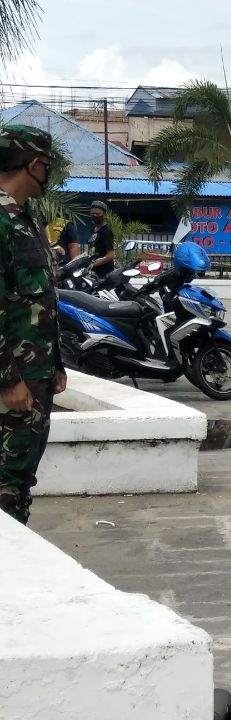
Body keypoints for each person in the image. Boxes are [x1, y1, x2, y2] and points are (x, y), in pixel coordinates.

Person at [0, 125, 67, 525]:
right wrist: (7, 379)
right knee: (6, 486)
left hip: (33, 374)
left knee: (19, 480)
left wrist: (55, 364)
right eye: (47, 164)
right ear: (33, 164)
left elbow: (38, 303)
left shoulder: (24, 218)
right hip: (13, 381)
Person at [87, 200, 115, 275]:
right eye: (93, 214)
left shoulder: (106, 231)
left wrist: (94, 264)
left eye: (98, 214)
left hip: (104, 271)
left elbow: (110, 255)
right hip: (94, 271)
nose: (95, 216)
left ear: (104, 214)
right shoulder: (93, 229)